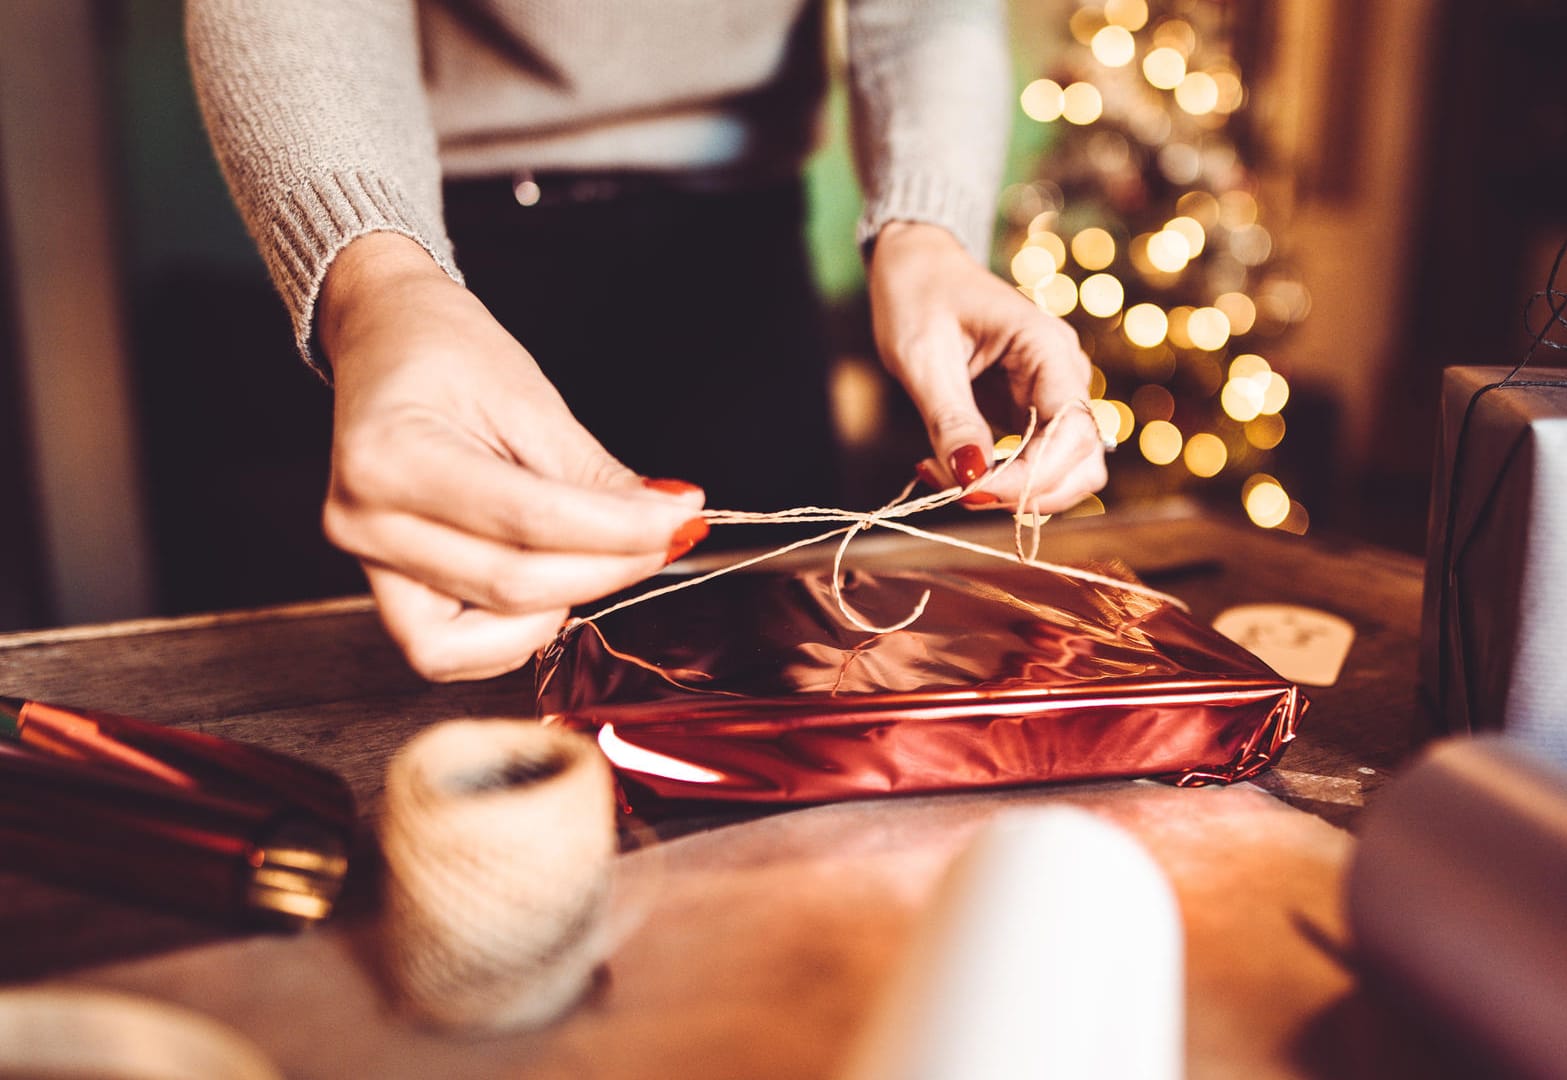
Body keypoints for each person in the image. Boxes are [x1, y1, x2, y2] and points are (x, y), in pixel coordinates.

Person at [185, 0, 1106, 682]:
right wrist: (378, 285)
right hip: (445, 274)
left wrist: (928, 234)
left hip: (743, 268)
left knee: (784, 693)